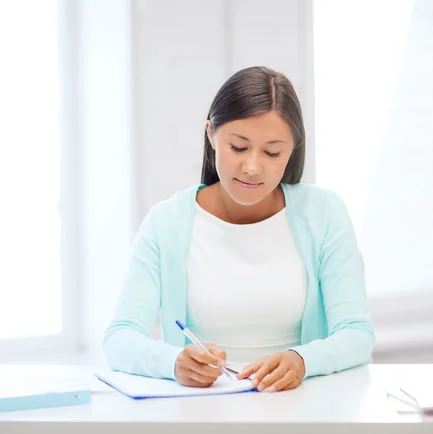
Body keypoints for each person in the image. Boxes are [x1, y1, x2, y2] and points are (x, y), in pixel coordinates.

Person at [103, 66, 375, 393]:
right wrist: (173, 362)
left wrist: (302, 360)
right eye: (238, 147)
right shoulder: (167, 223)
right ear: (211, 135)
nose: (252, 167)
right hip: (200, 414)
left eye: (273, 152)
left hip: (301, 412)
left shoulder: (324, 214)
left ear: (292, 150)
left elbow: (357, 334)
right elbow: (119, 338)